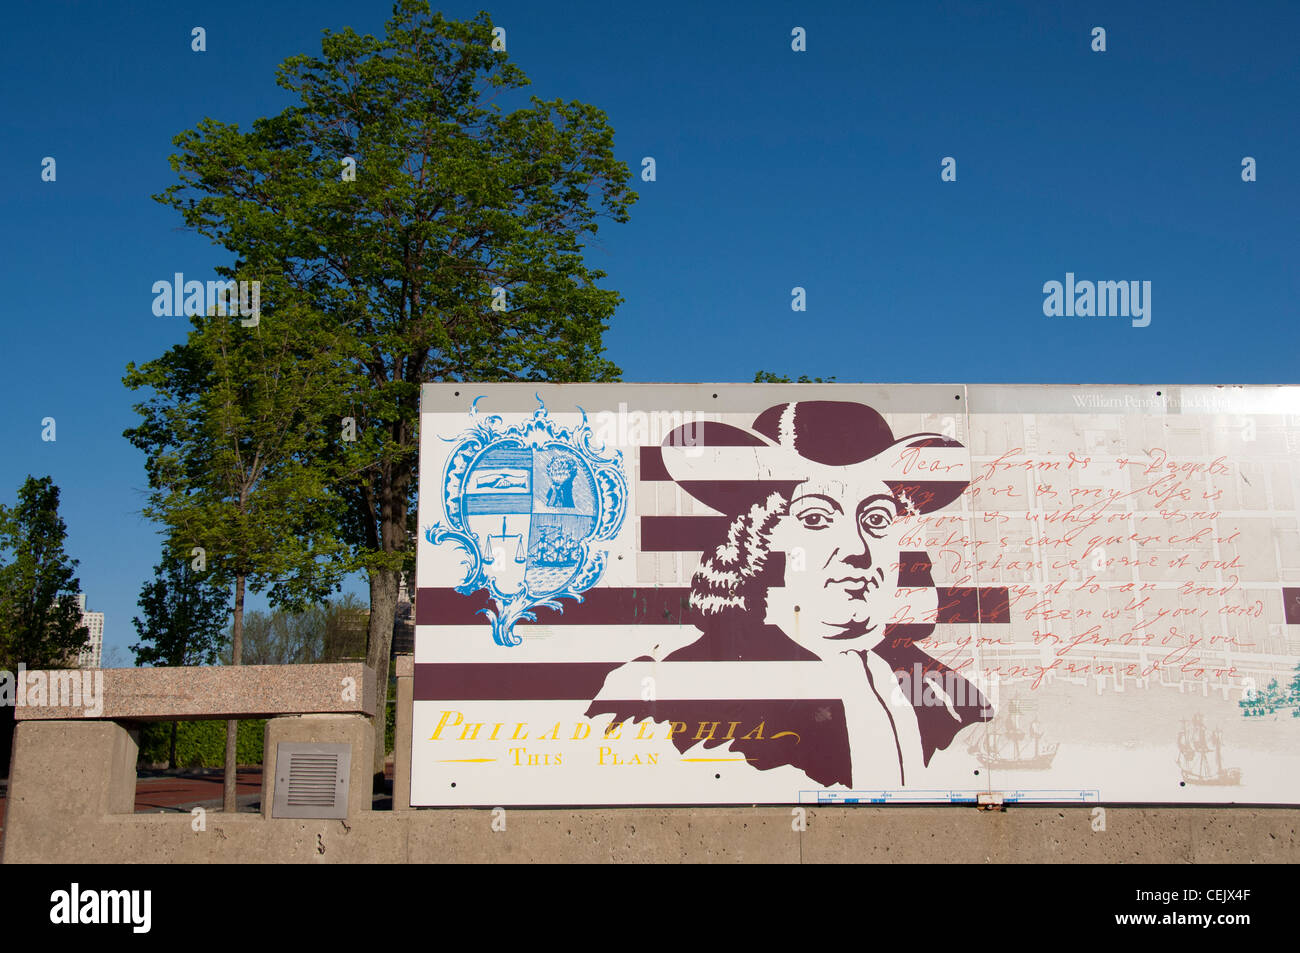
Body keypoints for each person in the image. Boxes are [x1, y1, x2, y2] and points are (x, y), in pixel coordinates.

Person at [586, 400, 991, 788]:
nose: (857, 548)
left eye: (876, 518)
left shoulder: (948, 694)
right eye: (816, 518)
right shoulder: (660, 691)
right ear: (757, 539)